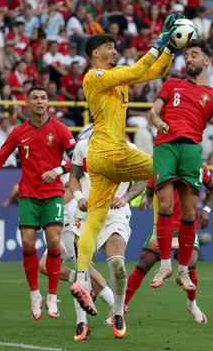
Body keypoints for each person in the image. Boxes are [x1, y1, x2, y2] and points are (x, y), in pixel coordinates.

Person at [70, 13, 181, 337]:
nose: (115, 51)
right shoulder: (95, 76)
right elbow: (136, 69)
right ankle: (166, 240)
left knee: (93, 222)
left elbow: (151, 71)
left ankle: (80, 279)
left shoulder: (116, 79)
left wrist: (170, 48)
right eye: (109, 47)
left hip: (102, 162)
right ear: (96, 55)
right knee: (165, 167)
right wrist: (159, 41)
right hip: (112, 149)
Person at [147, 39, 213, 291]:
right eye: (186, 55)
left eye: (194, 54)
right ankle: (164, 265)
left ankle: (183, 270)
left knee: (190, 213)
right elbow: (152, 112)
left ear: (207, 60)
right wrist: (159, 123)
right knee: (166, 205)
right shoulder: (172, 84)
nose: (188, 59)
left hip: (192, 149)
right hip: (166, 146)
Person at [0, 86, 76, 321]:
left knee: (53, 242)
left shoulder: (60, 129)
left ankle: (52, 297)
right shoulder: (19, 132)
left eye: (43, 98)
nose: (39, 102)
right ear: (27, 103)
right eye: (35, 98)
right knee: (27, 244)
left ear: (48, 102)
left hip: (53, 194)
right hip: (29, 195)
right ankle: (35, 295)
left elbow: (79, 158)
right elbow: (1, 156)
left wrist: (58, 170)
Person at [61, 135, 145, 340]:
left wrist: (125, 197)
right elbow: (73, 177)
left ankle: (117, 312)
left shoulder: (128, 148)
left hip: (115, 214)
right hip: (87, 214)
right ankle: (81, 323)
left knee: (117, 264)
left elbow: (144, 178)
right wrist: (79, 197)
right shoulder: (84, 146)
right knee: (83, 269)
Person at [125, 164, 213, 324]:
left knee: (191, 264)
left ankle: (192, 304)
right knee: (144, 263)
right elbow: (149, 191)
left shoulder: (196, 164)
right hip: (163, 226)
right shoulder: (163, 163)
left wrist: (206, 211)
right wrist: (145, 200)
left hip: (187, 226)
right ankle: (121, 307)